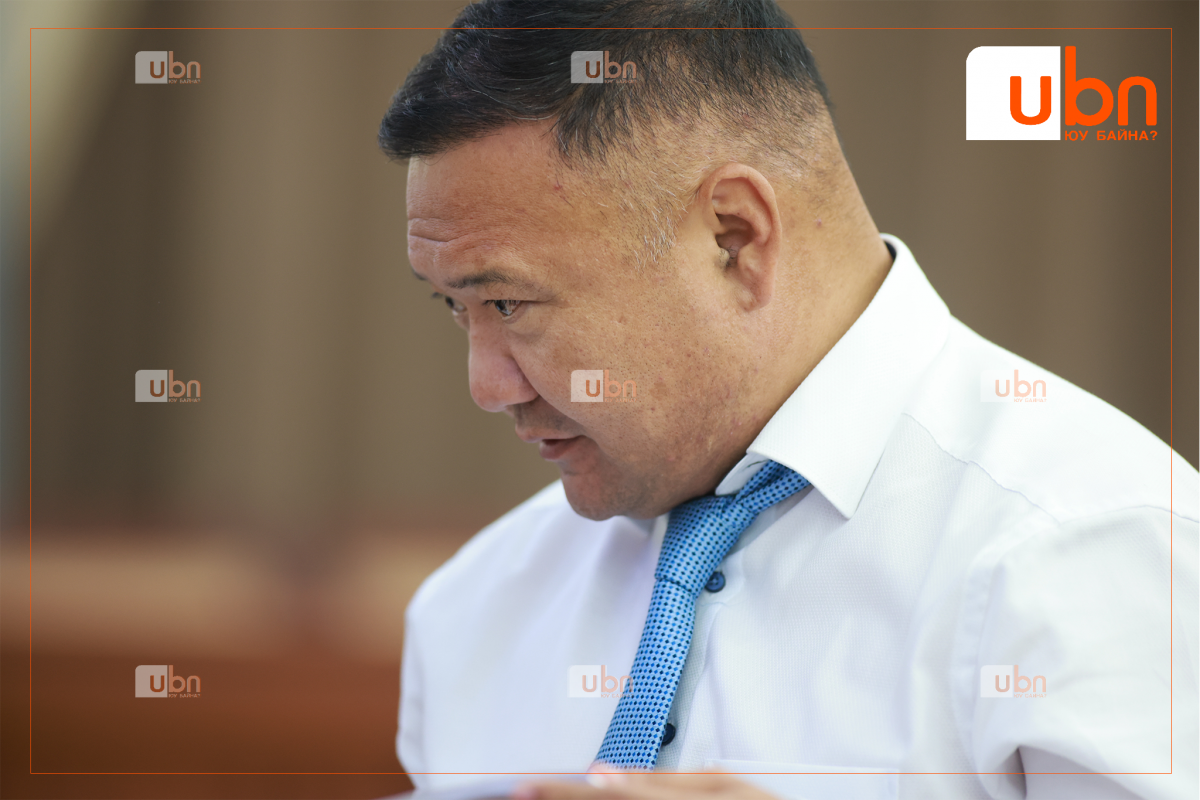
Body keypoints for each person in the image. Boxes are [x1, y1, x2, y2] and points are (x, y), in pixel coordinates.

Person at [377, 1, 1200, 798]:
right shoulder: (472, 614)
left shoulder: (1097, 549)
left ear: (735, 237)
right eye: (455, 306)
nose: (486, 388)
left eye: (509, 303)